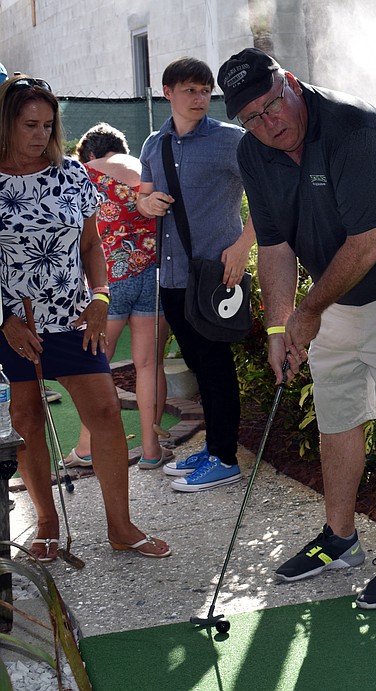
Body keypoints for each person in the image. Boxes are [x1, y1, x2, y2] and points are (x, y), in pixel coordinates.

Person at [217, 48, 376, 610]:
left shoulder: (355, 128)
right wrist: (279, 326)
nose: (268, 123)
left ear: (291, 82)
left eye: (272, 104)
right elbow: (273, 245)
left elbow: (369, 242)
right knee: (338, 412)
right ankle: (341, 538)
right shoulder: (255, 152)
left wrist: (307, 312)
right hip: (335, 296)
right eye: (251, 117)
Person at [0, 75, 170, 560]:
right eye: (28, 124)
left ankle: (121, 525)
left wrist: (99, 298)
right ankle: (46, 521)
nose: (39, 134)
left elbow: (92, 244)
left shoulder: (72, 175)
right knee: (26, 418)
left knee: (105, 412)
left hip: (73, 318)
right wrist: (5, 320)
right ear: (5, 122)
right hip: (14, 324)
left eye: (47, 125)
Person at [137, 57, 255, 492]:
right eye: (190, 89)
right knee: (199, 368)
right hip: (171, 278)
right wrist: (143, 205)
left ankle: (225, 458)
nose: (200, 97)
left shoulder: (232, 140)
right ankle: (213, 448)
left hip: (214, 277)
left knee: (217, 366)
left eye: (205, 90)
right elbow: (144, 198)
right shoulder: (154, 144)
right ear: (167, 92)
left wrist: (242, 247)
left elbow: (269, 200)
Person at [63, 123, 172, 470]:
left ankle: (86, 448)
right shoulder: (144, 167)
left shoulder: (83, 172)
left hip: (107, 282)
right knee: (149, 364)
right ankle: (152, 450)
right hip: (151, 276)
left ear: (90, 153)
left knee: (95, 367)